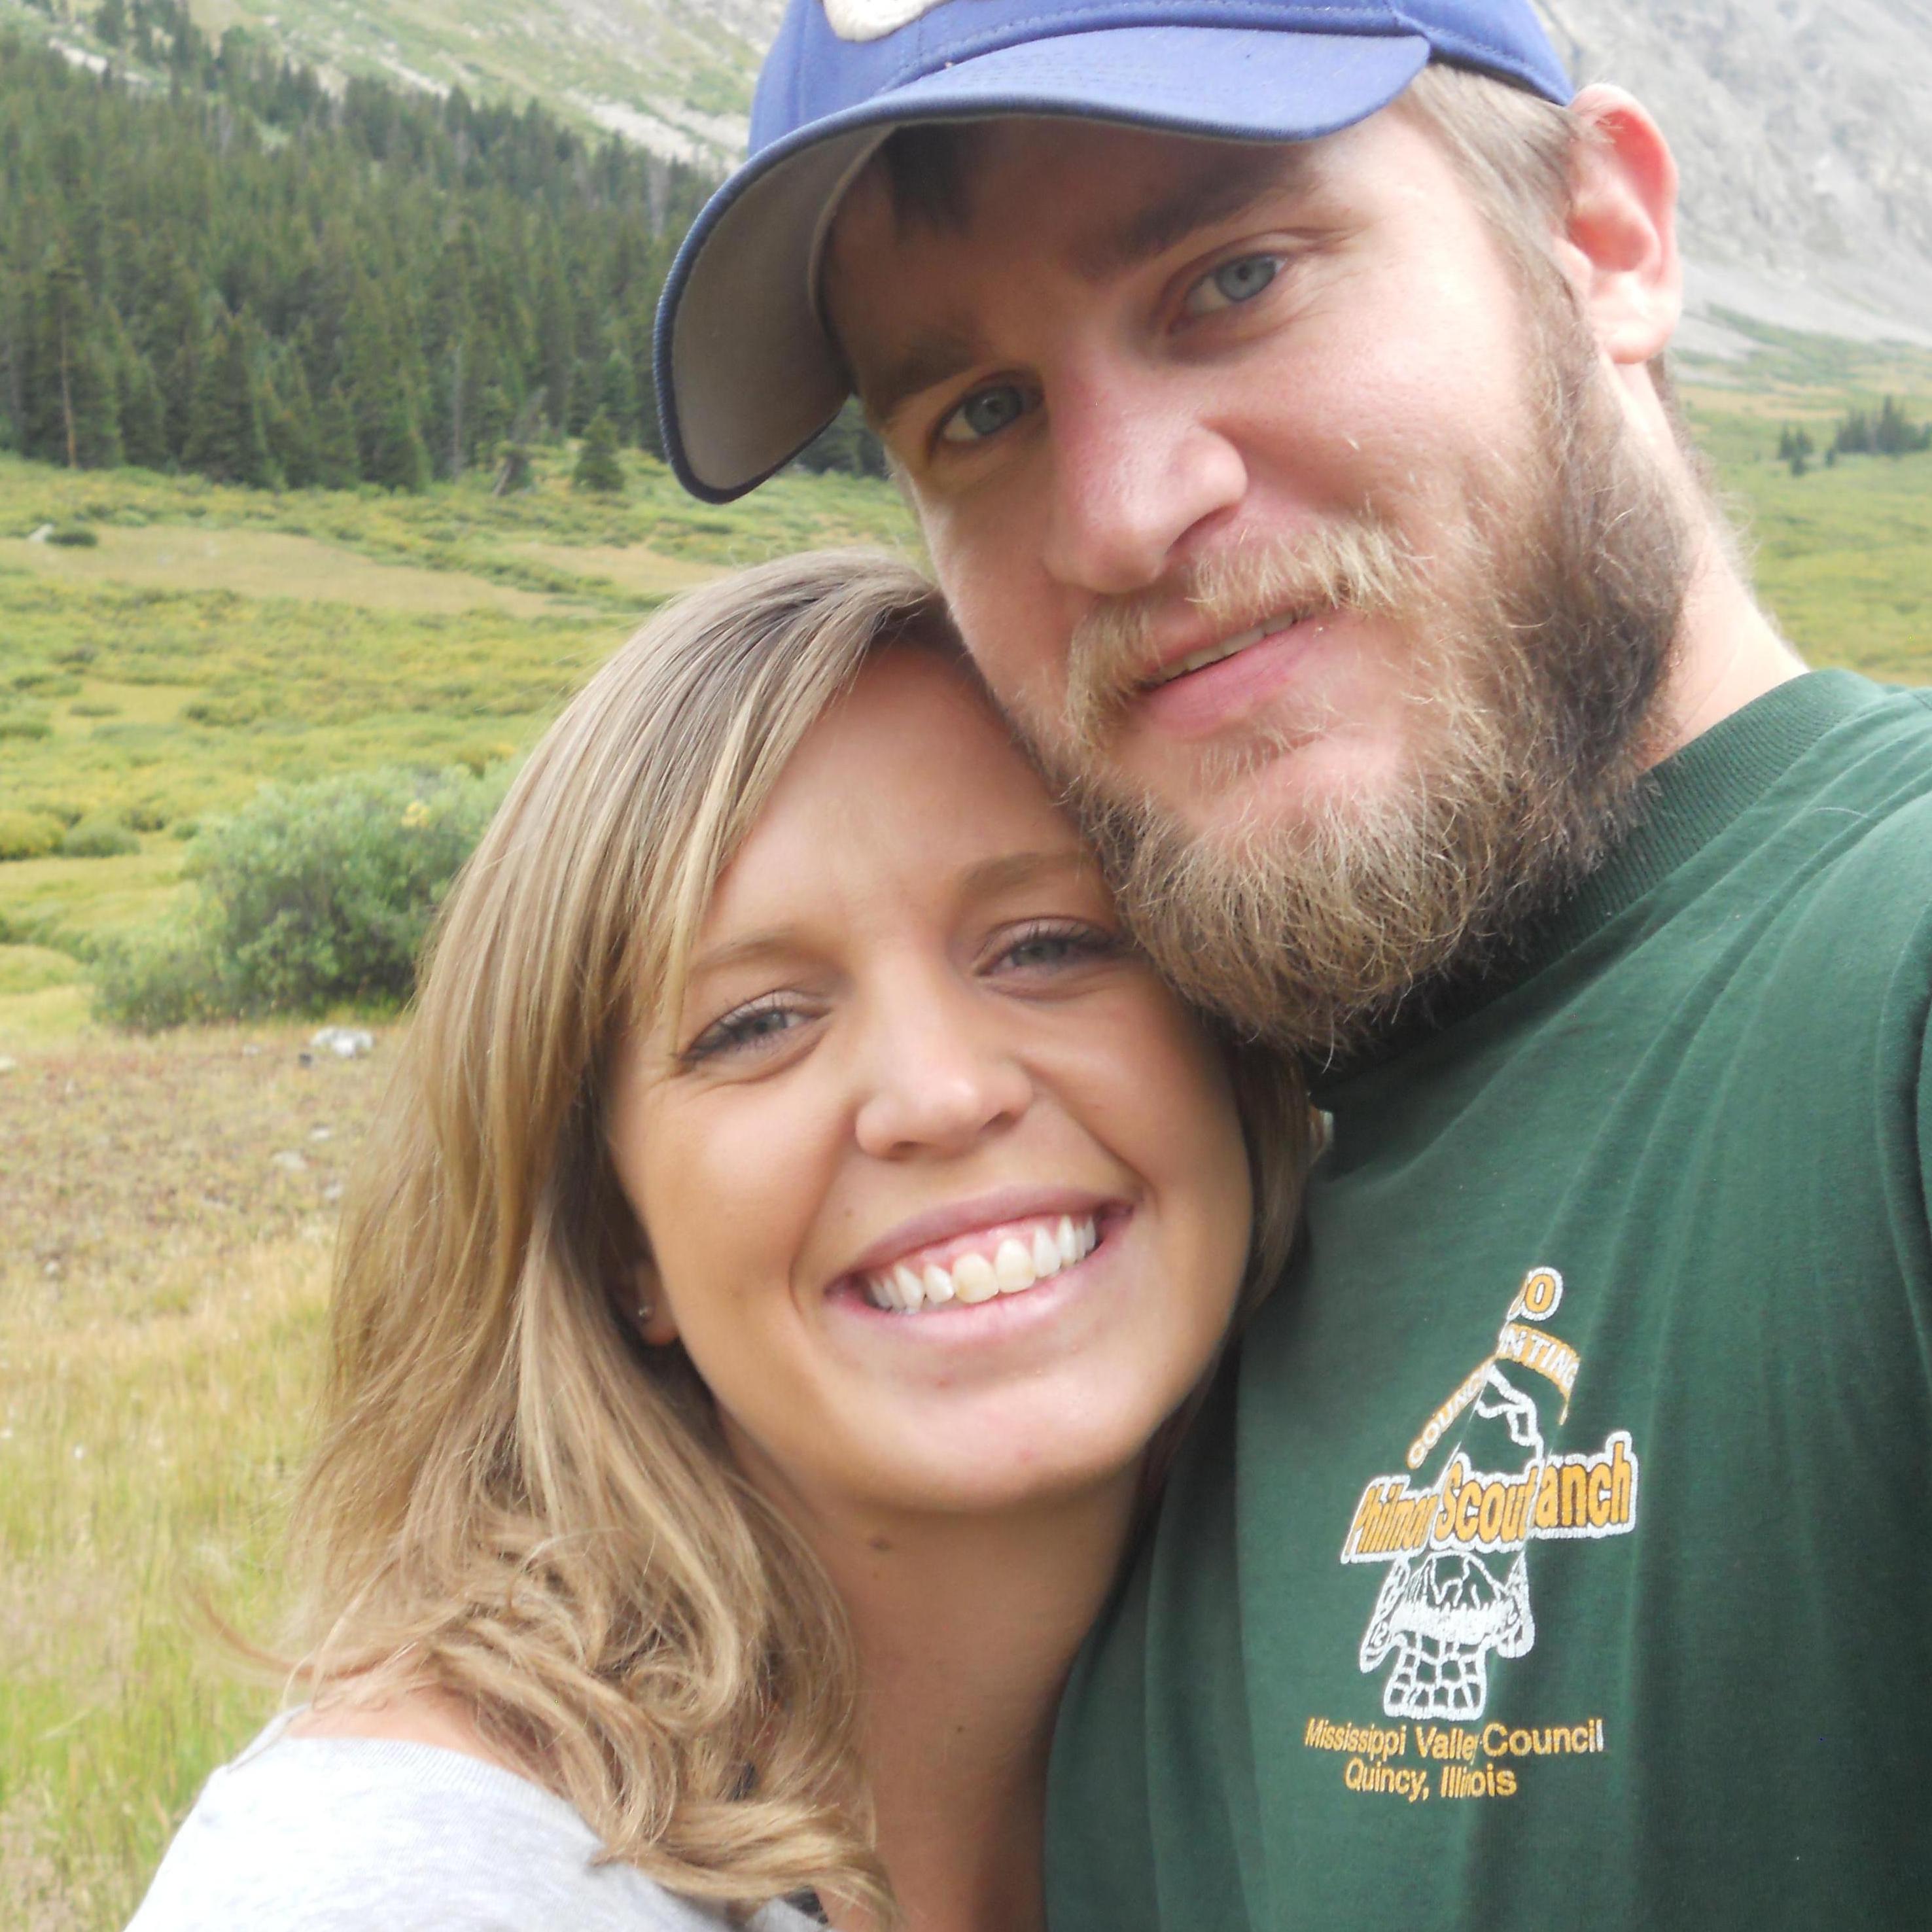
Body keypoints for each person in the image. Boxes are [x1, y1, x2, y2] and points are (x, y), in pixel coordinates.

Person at [653, 2, 1932, 1925]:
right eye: (979, 413)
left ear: (1602, 243)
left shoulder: (1889, 980)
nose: (1119, 516)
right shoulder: (1173, 1262)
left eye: (1233, 278)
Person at [127, 550, 1304, 1932]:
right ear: (614, 1239)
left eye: (1046, 943)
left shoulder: (1381, 1753)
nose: (940, 1091)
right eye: (758, 1023)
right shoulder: (408, 1879)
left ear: (1234, 1042)